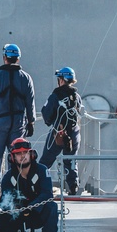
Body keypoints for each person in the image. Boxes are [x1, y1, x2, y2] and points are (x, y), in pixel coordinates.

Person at [0, 43, 36, 188]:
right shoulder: (26, 78)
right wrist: (31, 122)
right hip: (18, 121)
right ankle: (14, 183)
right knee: (16, 154)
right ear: (18, 58)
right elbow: (30, 101)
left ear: (4, 57)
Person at [0, 138, 59, 232]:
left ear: (32, 154)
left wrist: (31, 206)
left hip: (37, 213)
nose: (23, 156)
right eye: (18, 154)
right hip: (17, 215)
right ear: (12, 157)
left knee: (52, 206)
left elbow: (47, 194)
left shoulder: (42, 171)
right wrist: (15, 208)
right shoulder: (8, 177)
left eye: (25, 152)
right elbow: (4, 202)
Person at [38, 67, 82, 195]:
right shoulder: (76, 96)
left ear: (62, 80)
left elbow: (46, 114)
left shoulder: (55, 95)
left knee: (46, 160)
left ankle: (38, 184)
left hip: (59, 133)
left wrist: (51, 122)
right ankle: (73, 186)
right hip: (74, 133)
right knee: (71, 160)